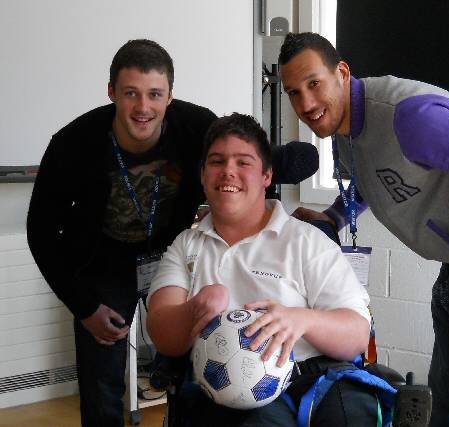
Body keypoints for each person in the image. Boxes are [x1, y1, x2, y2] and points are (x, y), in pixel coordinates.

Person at [278, 32, 449, 427]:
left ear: (341, 72)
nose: (305, 104)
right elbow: (371, 180)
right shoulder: (345, 125)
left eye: (313, 84)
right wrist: (335, 217)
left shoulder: (408, 118)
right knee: (445, 406)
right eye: (293, 92)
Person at [26, 39, 217, 426]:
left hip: (175, 259)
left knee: (196, 370)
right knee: (101, 388)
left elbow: (242, 171)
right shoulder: (72, 144)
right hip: (103, 267)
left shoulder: (199, 128)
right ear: (111, 91)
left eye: (155, 94)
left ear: (170, 97)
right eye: (130, 93)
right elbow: (41, 232)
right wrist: (84, 307)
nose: (143, 108)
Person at [146, 113, 381, 426]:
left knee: (353, 413)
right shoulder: (186, 245)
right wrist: (195, 310)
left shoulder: (306, 240)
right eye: (216, 161)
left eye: (243, 162)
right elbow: (163, 334)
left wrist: (301, 319)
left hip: (313, 379)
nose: (228, 171)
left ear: (266, 175)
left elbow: (356, 335)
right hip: (230, 390)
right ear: (203, 174)